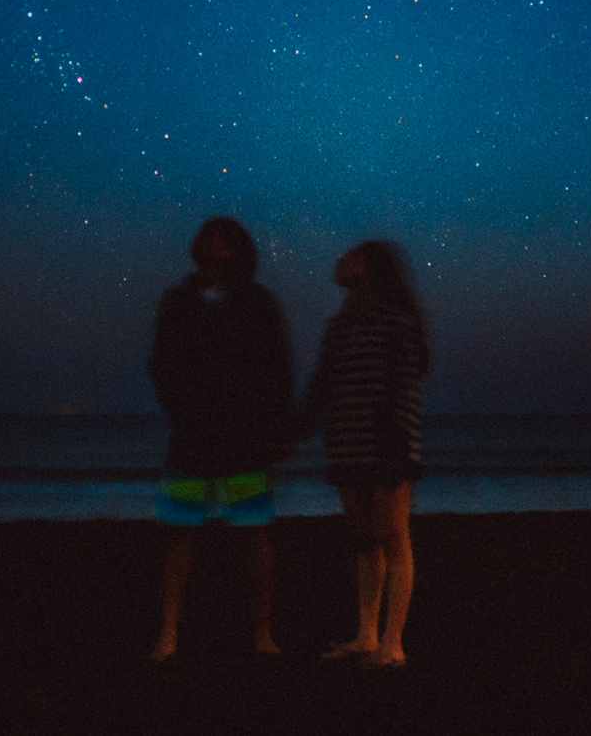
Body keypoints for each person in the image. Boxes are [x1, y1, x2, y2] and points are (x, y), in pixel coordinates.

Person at [147, 216, 294, 663]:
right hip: (192, 435)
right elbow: (161, 362)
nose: (212, 241)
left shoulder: (257, 302)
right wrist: (180, 408)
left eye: (222, 237)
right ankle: (168, 632)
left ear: (236, 249)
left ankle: (261, 632)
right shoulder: (178, 301)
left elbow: (277, 367)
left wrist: (273, 426)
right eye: (208, 235)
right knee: (179, 533)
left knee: (255, 532)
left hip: (245, 436)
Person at [295, 239, 430, 669]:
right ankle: (367, 636)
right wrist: (295, 430)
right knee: (364, 539)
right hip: (347, 444)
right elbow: (321, 385)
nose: (340, 258)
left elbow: (405, 385)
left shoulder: (397, 321)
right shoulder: (341, 326)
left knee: (393, 535)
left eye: (352, 255)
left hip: (387, 444)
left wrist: (397, 448)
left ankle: (394, 644)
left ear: (372, 268)